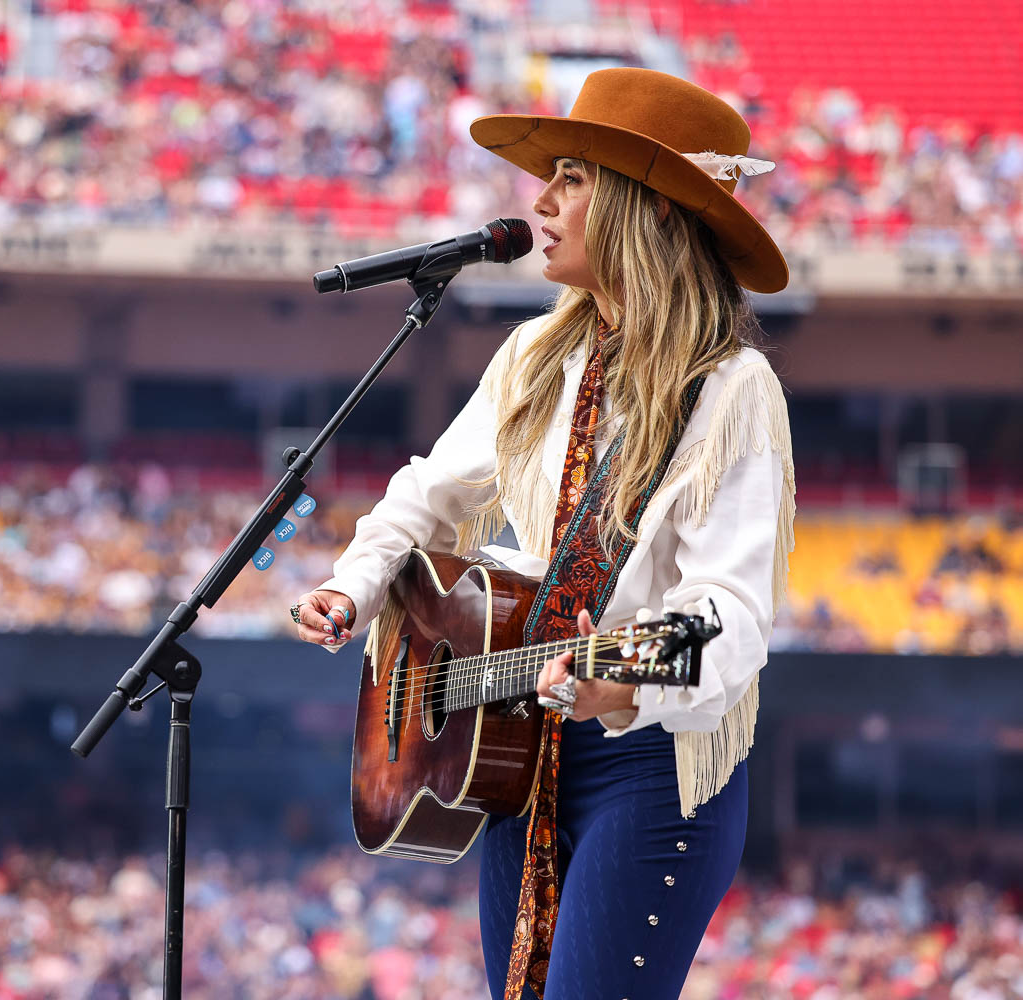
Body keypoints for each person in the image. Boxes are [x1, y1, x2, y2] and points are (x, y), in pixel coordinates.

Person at [288, 68, 795, 1000]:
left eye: (573, 178)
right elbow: (429, 492)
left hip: (653, 766)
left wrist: (618, 680)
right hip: (521, 751)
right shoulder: (533, 353)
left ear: (644, 209)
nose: (540, 200)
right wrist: (353, 587)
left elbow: (729, 611)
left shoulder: (731, 391)